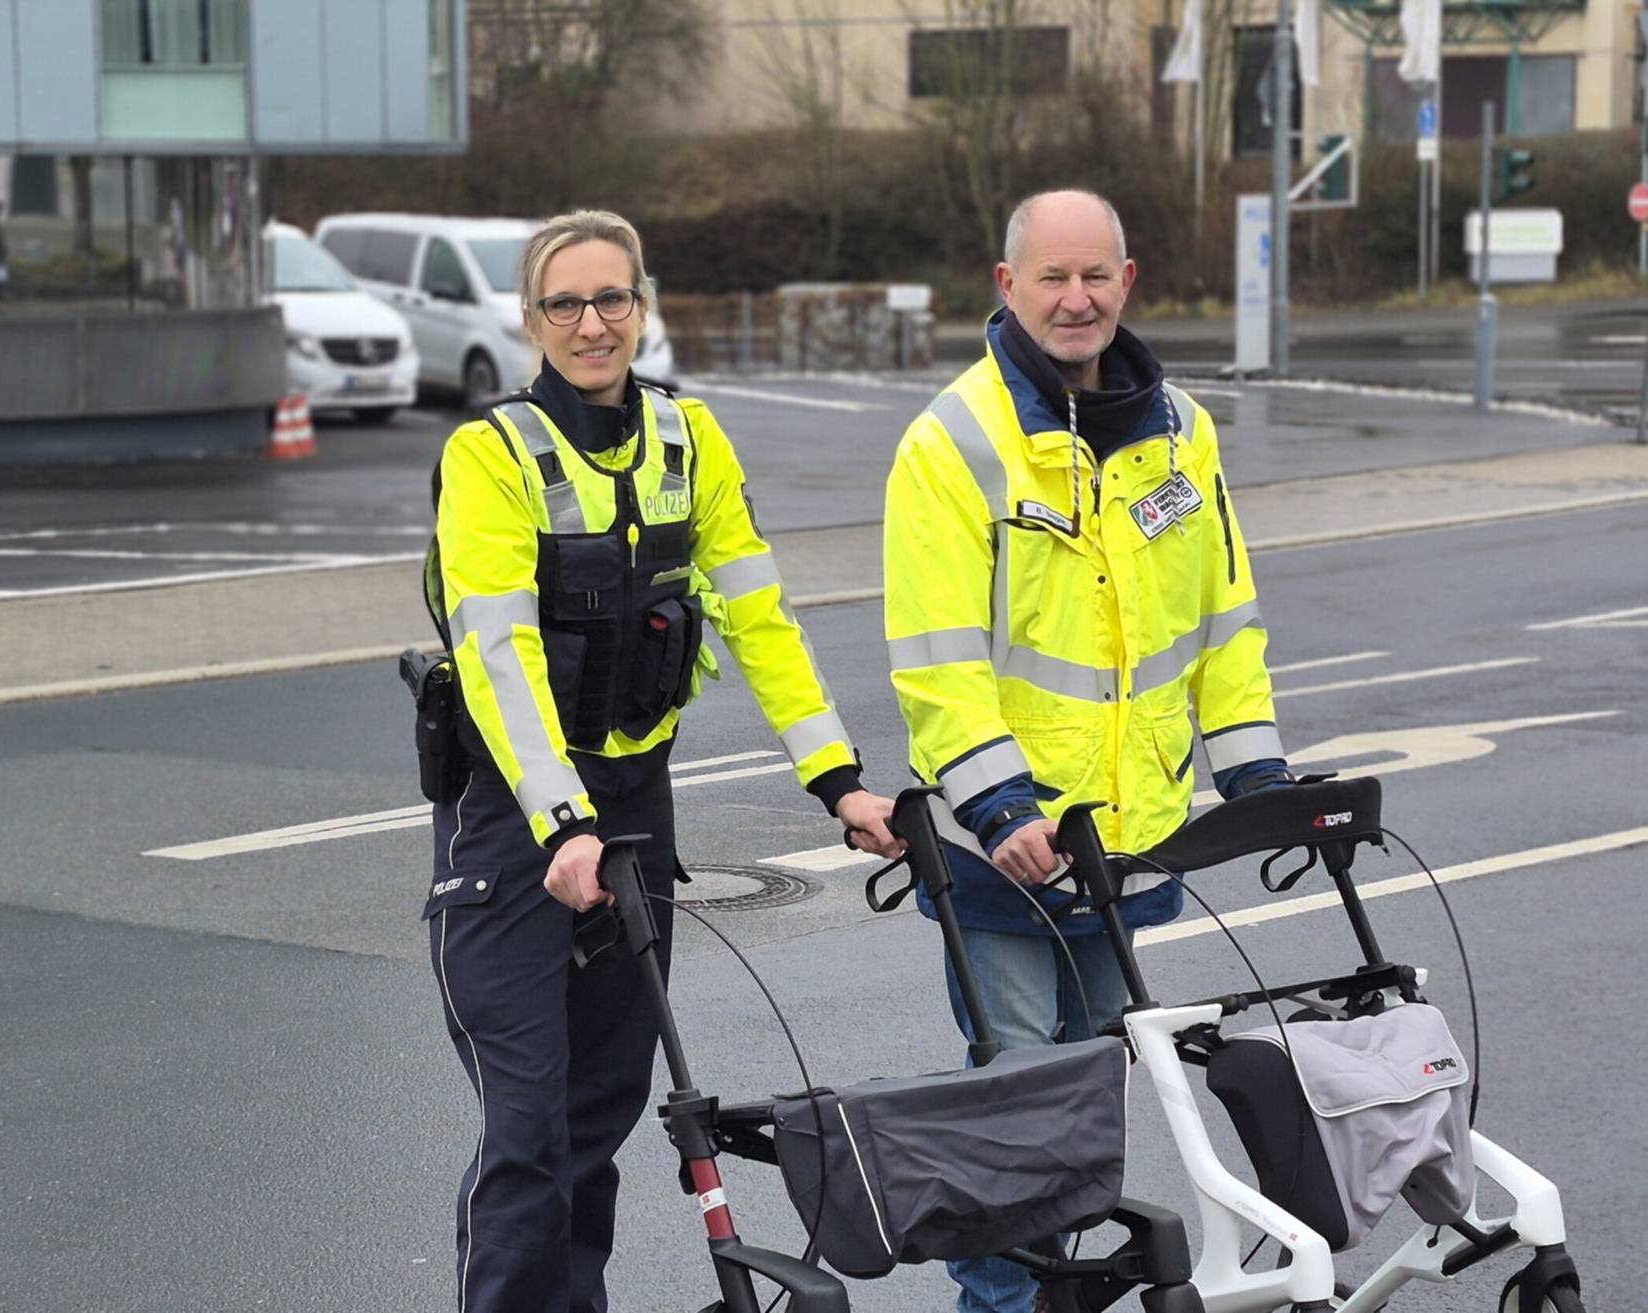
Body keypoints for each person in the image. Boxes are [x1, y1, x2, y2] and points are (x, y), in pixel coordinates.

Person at [423, 208, 902, 1313]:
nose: (593, 324)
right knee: (529, 1127)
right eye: (566, 304)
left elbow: (759, 617)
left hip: (633, 809)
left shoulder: (691, 437)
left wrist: (837, 779)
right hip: (515, 824)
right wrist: (559, 817)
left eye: (613, 299)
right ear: (532, 317)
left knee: (596, 1117)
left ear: (643, 305)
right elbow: (498, 653)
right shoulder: (489, 455)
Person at [881, 189, 1293, 1313]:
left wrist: (1256, 778)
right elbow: (935, 654)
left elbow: (1222, 620)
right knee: (1020, 1099)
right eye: (1053, 278)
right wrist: (998, 802)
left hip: (1133, 837)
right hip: (1002, 845)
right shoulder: (954, 439)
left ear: (1129, 280)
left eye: (1096, 275)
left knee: (1092, 1087)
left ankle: (1056, 1291)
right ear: (1006, 286)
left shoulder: (1181, 432)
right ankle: (1004, 1304)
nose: (1077, 298)